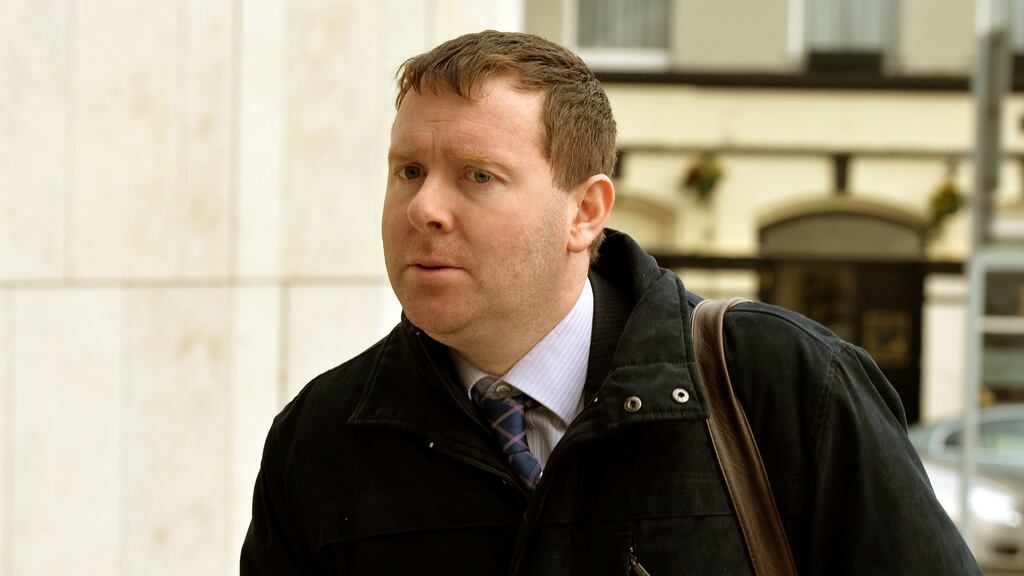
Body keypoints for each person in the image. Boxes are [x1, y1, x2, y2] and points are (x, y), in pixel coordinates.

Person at [241, 30, 980, 575]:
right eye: (408, 170)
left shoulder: (784, 385)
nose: (424, 208)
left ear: (585, 212)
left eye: (477, 176)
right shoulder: (320, 439)